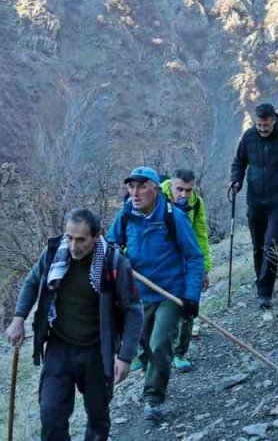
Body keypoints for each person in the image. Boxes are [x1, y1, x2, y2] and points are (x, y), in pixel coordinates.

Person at [7, 209, 144, 441]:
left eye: (80, 239)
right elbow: (32, 282)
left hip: (97, 351)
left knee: (98, 417)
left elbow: (133, 310)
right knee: (50, 415)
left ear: (95, 236)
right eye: (69, 237)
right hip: (60, 347)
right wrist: (18, 318)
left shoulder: (113, 262)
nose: (72, 246)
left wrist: (125, 356)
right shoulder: (54, 253)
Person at [106, 167, 204, 422]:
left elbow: (194, 257)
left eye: (140, 187)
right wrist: (116, 255)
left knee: (160, 343)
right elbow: (110, 243)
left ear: (155, 189)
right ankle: (154, 376)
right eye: (131, 187)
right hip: (138, 295)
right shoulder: (126, 213)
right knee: (146, 348)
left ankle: (153, 398)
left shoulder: (173, 217)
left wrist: (191, 297)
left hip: (170, 293)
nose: (135, 193)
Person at [229, 104, 278, 309]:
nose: (262, 128)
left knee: (272, 243)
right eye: (258, 124)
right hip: (255, 200)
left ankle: (265, 292)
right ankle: (260, 280)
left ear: (273, 120)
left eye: (265, 124)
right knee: (258, 246)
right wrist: (236, 180)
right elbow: (239, 162)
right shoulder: (248, 137)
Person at [160, 171, 209, 371]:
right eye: (179, 189)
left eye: (188, 190)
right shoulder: (156, 198)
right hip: (160, 263)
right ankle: (145, 354)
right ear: (171, 185)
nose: (184, 194)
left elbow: (201, 235)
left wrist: (204, 270)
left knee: (189, 306)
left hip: (186, 262)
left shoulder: (196, 204)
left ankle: (179, 353)